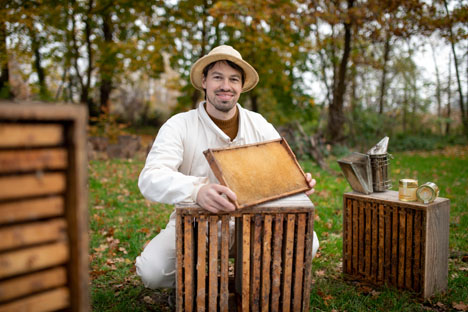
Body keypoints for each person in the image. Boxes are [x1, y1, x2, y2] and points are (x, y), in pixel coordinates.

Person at [135, 45, 319, 289]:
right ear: (204, 81)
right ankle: (192, 288)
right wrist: (197, 191)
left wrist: (296, 183)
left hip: (255, 225)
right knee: (153, 272)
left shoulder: (258, 124)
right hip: (196, 226)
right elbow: (150, 177)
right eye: (217, 77)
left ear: (241, 86)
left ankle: (255, 281)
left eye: (233, 79)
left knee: (309, 243)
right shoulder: (179, 125)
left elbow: (281, 168)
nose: (226, 86)